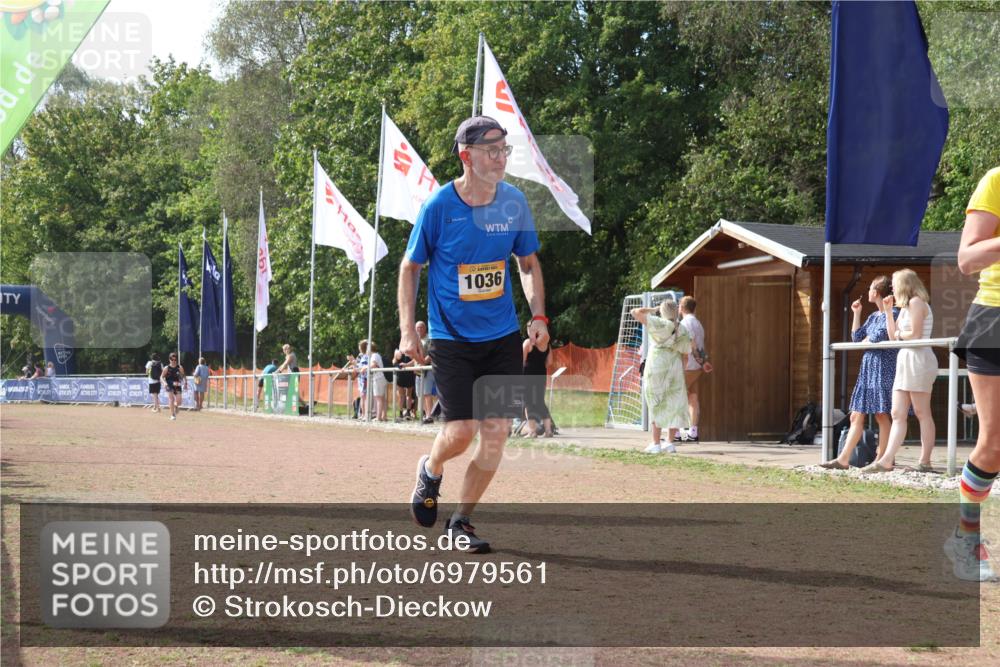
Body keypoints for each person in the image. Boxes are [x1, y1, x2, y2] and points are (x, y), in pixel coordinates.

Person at [399, 115, 547, 554]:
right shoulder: (439, 208)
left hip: (501, 337)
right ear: (467, 156)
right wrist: (409, 331)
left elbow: (528, 265)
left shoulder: (514, 203)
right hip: (451, 338)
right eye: (492, 150)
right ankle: (431, 467)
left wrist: (539, 316)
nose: (501, 158)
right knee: (461, 431)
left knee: (497, 433)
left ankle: (460, 521)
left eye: (504, 150)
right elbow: (410, 268)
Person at [949, 165, 1000, 581]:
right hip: (994, 320)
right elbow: (966, 259)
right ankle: (966, 541)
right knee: (994, 444)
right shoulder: (995, 180)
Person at [820, 276, 899, 469]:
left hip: (883, 366)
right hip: (868, 368)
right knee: (856, 414)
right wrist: (857, 313)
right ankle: (843, 459)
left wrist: (867, 341)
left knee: (881, 414)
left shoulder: (894, 313)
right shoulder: (873, 316)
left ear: (877, 292)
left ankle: (882, 459)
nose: (869, 291)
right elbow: (857, 338)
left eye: (871, 288)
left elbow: (877, 338)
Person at [862, 269, 936, 474]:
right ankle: (886, 460)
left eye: (894, 283)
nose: (892, 287)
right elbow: (894, 336)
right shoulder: (904, 307)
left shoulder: (916, 303)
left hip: (918, 359)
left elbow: (915, 334)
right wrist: (887, 312)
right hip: (905, 359)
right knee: (897, 412)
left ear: (904, 284)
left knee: (922, 412)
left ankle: (925, 461)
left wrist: (901, 334)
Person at [631, 299, 692, 454]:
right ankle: (670, 442)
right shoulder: (682, 328)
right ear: (677, 311)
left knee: (655, 402)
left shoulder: (658, 323)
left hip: (656, 366)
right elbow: (686, 354)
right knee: (674, 404)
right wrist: (682, 371)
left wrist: (652, 309)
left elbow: (635, 312)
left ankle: (656, 443)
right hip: (675, 368)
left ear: (662, 311)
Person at [675, 296, 713, 442]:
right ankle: (693, 432)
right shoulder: (698, 323)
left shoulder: (685, 323)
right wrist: (703, 362)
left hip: (688, 365)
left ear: (682, 307)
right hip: (696, 366)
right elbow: (700, 345)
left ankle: (676, 432)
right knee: (693, 397)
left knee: (678, 396)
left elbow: (692, 345)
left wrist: (701, 362)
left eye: (679, 306)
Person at [521, 322, 553, 438]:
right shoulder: (547, 345)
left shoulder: (528, 343)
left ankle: (532, 432)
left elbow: (522, 361)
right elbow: (549, 362)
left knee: (528, 403)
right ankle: (548, 431)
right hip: (541, 376)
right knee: (540, 402)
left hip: (528, 376)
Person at [415, 321, 437, 424]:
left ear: (425, 328)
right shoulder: (415, 341)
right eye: (417, 328)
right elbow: (414, 357)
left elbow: (431, 354)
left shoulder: (429, 339)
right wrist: (407, 365)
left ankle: (430, 416)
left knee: (427, 393)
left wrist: (422, 363)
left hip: (427, 370)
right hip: (418, 371)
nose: (419, 330)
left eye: (421, 328)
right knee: (420, 394)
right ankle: (425, 414)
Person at [160, 352, 187, 421]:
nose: (174, 361)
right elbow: (161, 377)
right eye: (172, 360)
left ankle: (175, 406)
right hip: (169, 385)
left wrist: (185, 383)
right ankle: (172, 415)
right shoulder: (166, 368)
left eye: (175, 360)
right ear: (169, 360)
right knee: (171, 399)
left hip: (177, 385)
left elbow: (183, 375)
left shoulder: (179, 367)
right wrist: (164, 383)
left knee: (179, 401)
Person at [393, 346, 417, 419]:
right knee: (401, 395)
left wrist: (406, 365)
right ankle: (400, 413)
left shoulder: (412, 348)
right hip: (401, 375)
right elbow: (394, 361)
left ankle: (408, 412)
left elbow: (414, 360)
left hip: (409, 374)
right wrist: (397, 364)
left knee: (408, 395)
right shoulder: (398, 349)